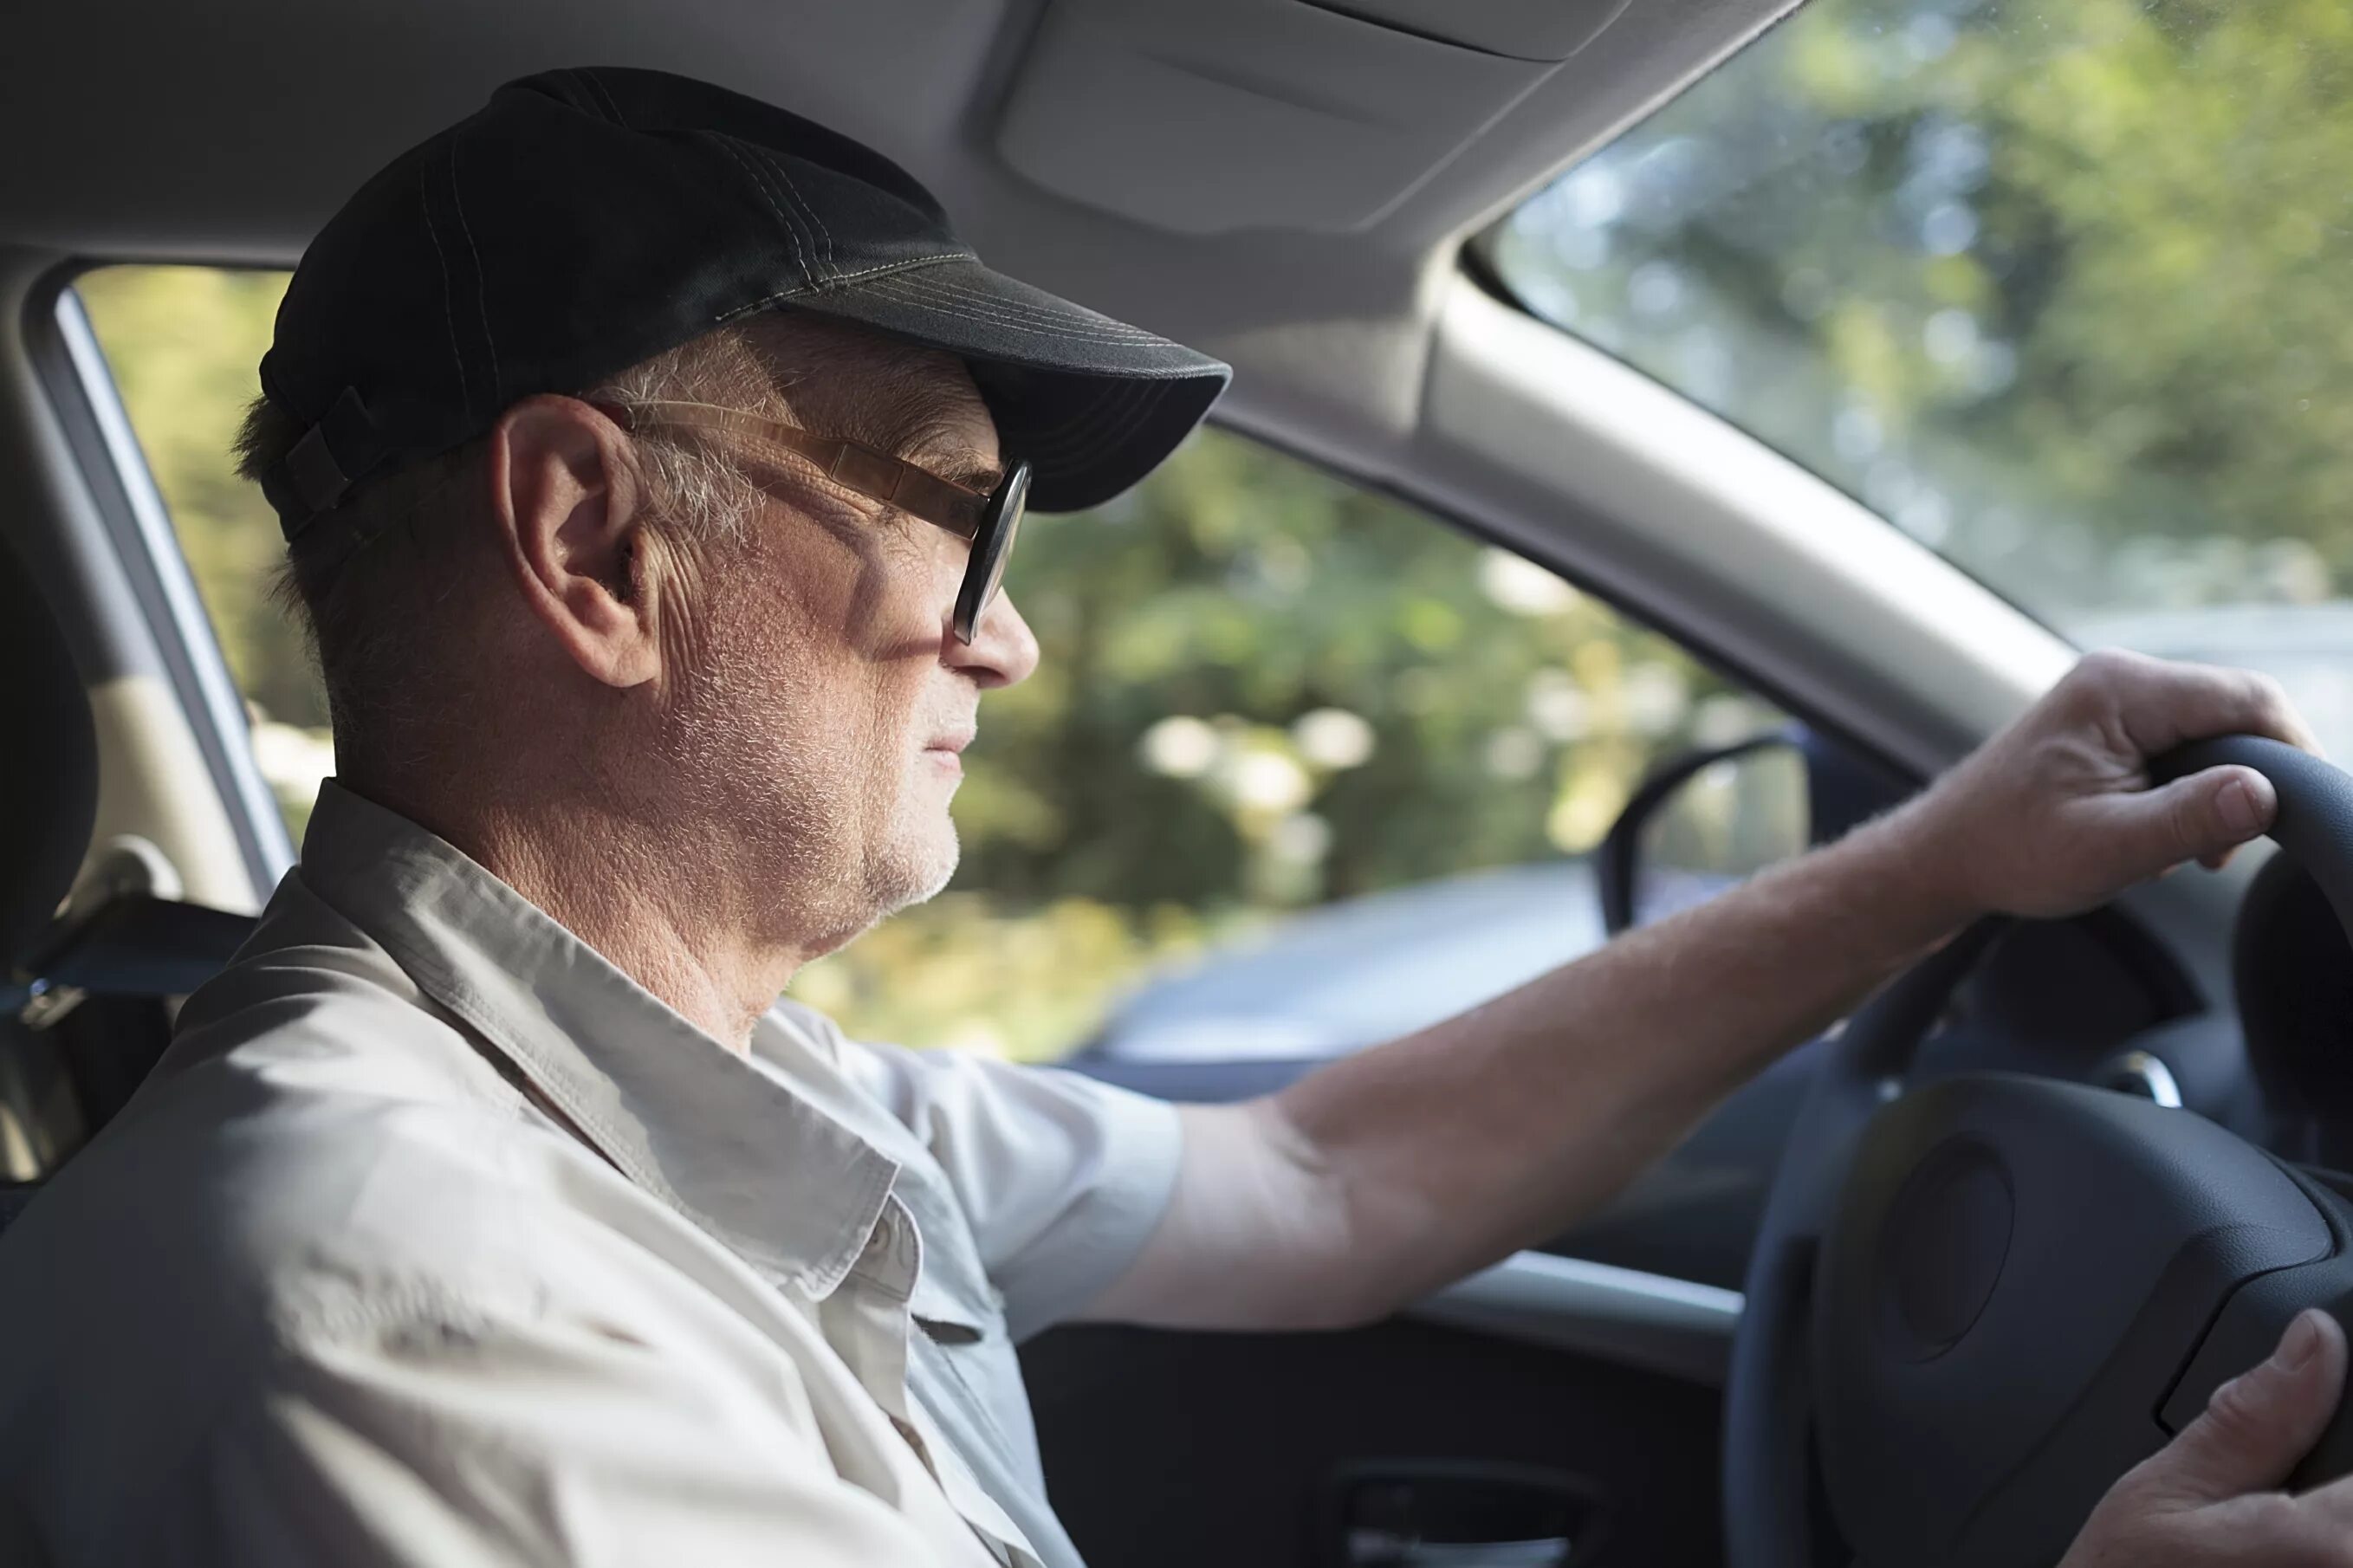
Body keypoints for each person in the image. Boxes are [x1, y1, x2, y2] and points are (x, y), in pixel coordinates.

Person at [0, 63, 2344, 1568]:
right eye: (947, 511)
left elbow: (1316, 1183)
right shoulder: (389, 1287)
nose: (1000, 637)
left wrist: (1935, 856)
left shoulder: (681, 1089)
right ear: (594, 549)